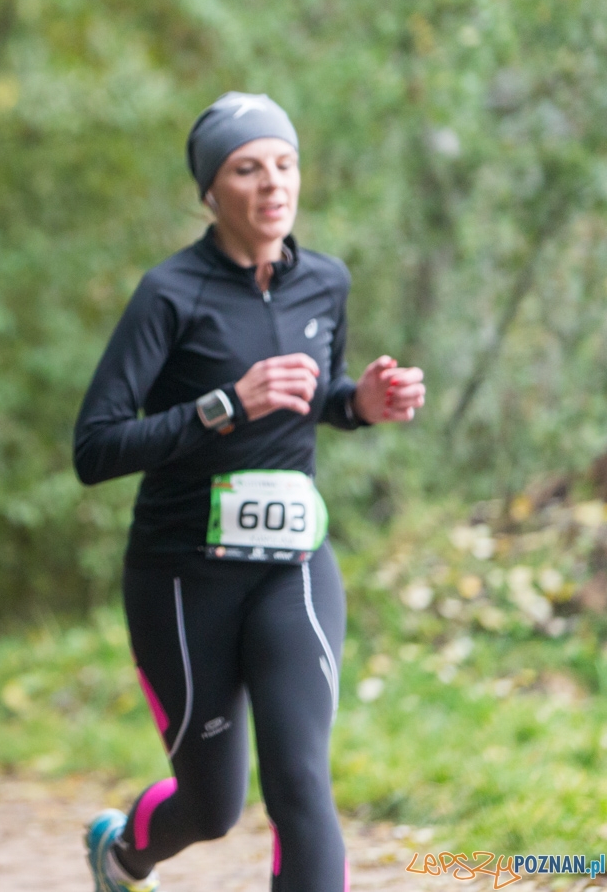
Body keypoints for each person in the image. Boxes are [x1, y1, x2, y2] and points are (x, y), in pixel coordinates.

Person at [72, 93, 427, 892]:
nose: (273, 183)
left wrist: (360, 403)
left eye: (284, 163)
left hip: (292, 564)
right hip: (181, 574)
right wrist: (225, 404)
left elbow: (317, 393)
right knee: (212, 805)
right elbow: (94, 447)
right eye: (247, 168)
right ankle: (122, 852)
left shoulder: (325, 282)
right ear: (210, 191)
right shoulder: (169, 293)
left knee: (300, 781)